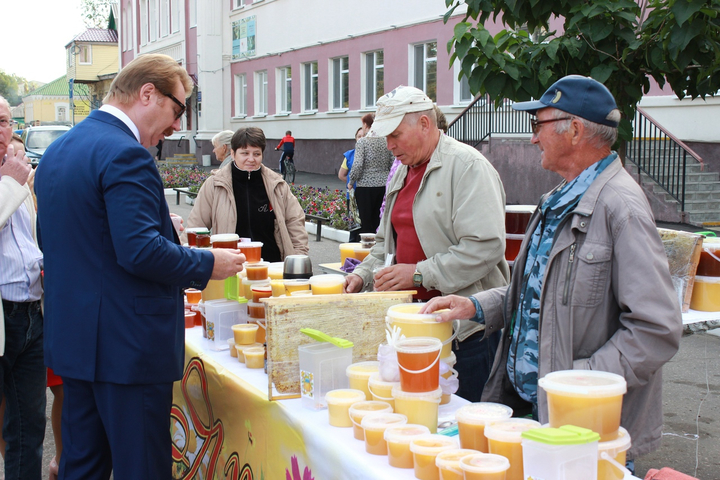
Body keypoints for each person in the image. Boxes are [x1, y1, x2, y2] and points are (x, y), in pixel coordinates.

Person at [421, 75, 682, 462]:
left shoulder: (620, 207)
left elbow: (656, 328)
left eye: (537, 126)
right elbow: (535, 295)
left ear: (575, 130)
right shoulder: (559, 199)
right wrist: (476, 307)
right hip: (536, 415)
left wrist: (577, 384)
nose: (532, 138)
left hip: (584, 431)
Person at [35, 54, 247, 479]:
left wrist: (155, 228)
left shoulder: (59, 151)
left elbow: (76, 238)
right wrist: (208, 262)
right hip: (127, 350)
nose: (175, 126)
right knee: (143, 469)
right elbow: (140, 253)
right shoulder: (126, 153)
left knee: (83, 467)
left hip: (77, 343)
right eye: (177, 110)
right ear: (147, 94)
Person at [344, 86, 509, 401]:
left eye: (395, 135)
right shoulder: (404, 169)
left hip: (464, 334)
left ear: (424, 124)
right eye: (385, 137)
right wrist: (362, 275)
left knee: (460, 431)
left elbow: (485, 248)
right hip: (416, 328)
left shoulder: (467, 166)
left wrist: (418, 274)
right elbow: (384, 242)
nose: (389, 145)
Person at [0, 95, 46, 480]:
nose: (0, 131)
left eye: (4, 121)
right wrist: (12, 186)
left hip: (31, 314)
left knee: (29, 428)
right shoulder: (13, 179)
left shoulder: (14, 173)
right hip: (2, 315)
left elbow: (27, 242)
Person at [188, 127, 309, 262]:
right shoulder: (215, 184)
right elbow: (196, 225)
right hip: (229, 268)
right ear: (233, 154)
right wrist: (190, 263)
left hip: (272, 266)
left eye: (256, 154)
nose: (251, 159)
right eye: (245, 153)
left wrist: (298, 257)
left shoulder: (277, 184)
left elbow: (295, 222)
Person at [348, 113, 395, 235]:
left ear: (365, 124)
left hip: (365, 188)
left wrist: (351, 181)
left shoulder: (362, 142)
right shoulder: (386, 140)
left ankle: (367, 249)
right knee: (379, 221)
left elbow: (357, 165)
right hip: (383, 186)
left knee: (366, 224)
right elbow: (392, 163)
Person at [338, 127, 364, 242]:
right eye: (359, 136)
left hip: (367, 195)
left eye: (364, 136)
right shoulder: (350, 155)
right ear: (355, 139)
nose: (361, 139)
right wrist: (352, 185)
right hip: (353, 197)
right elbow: (342, 175)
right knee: (354, 227)